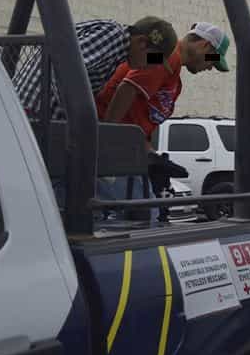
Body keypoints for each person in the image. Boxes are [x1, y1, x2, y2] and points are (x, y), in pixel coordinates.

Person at [93, 22, 230, 221]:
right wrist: (107, 137)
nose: (210, 68)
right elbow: (127, 86)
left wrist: (154, 159)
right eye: (213, 60)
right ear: (205, 46)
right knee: (145, 216)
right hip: (110, 150)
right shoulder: (166, 58)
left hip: (126, 150)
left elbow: (139, 121)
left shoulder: (175, 77)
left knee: (142, 214)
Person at [13, 16, 178, 121]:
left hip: (34, 114)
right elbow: (65, 66)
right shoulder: (113, 36)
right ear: (142, 43)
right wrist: (79, 122)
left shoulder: (117, 52)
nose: (150, 66)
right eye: (153, 59)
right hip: (34, 115)